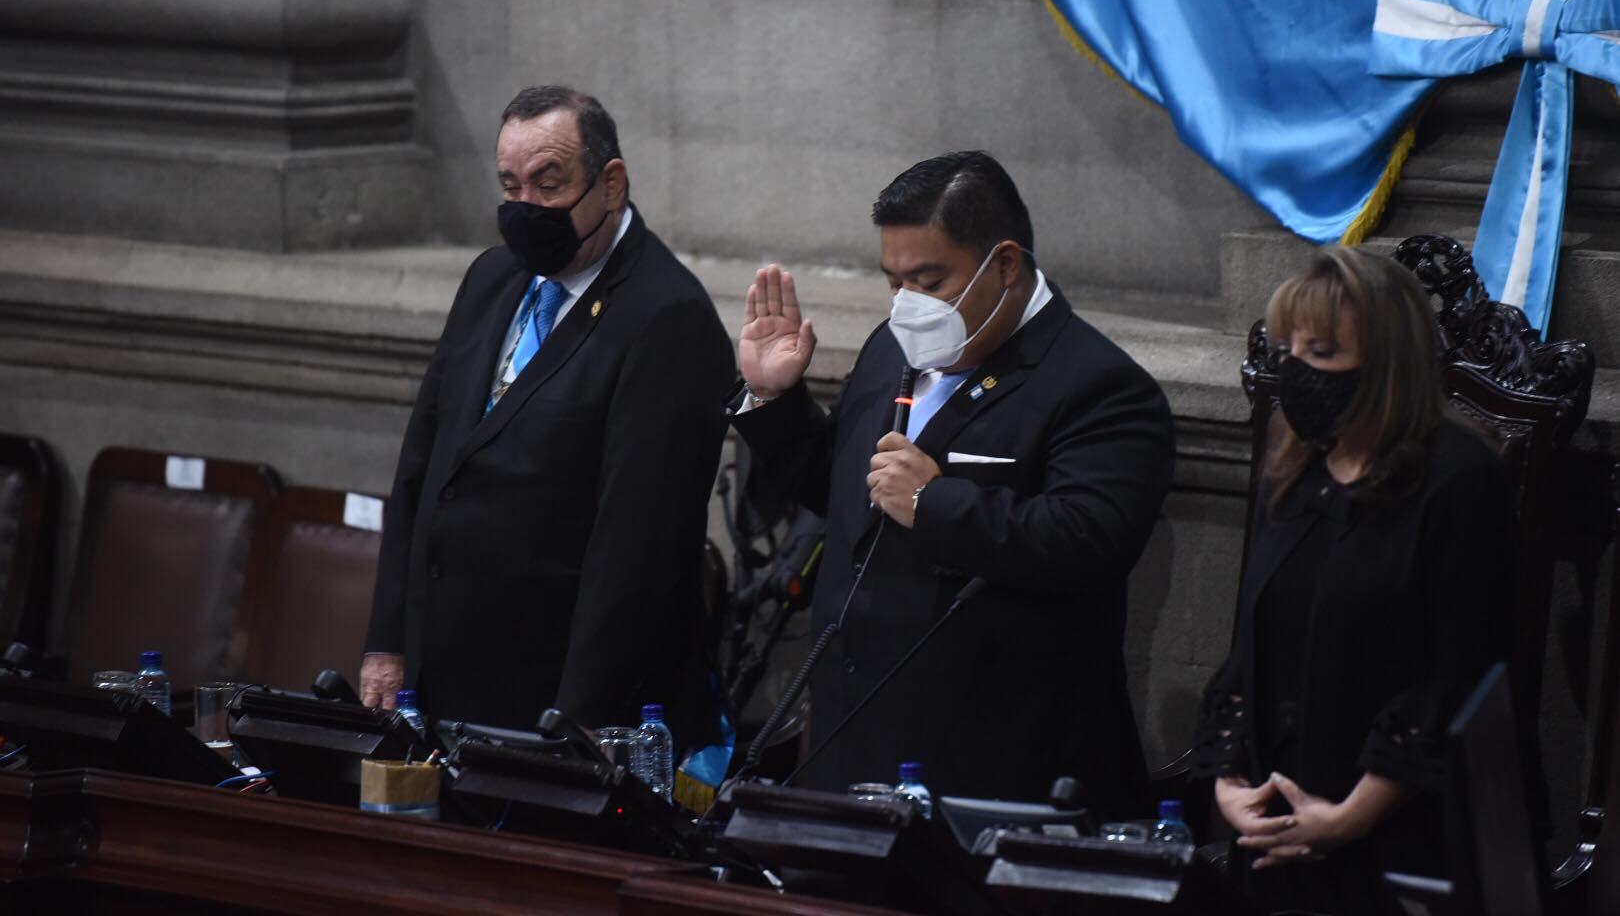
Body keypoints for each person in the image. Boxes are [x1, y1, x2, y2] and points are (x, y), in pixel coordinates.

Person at [729, 150, 1174, 814]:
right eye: (893, 282)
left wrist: (936, 502)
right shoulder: (893, 346)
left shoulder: (1098, 386)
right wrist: (773, 403)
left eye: (929, 281)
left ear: (1005, 264)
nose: (908, 305)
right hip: (851, 741)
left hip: (987, 763)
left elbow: (1090, 543)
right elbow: (855, 495)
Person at [360, 86, 734, 750]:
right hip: (438, 679)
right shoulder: (491, 279)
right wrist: (388, 642)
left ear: (611, 184)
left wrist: (580, 715)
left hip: (552, 698)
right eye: (510, 185)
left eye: (548, 184)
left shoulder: (666, 318)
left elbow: (639, 547)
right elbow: (422, 470)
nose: (525, 207)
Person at [1189, 246, 1514, 915]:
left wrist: (1348, 818)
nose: (1298, 372)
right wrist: (1230, 788)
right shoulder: (1295, 470)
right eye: (1292, 350)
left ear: (1387, 365)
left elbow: (1458, 677)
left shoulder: (1458, 480)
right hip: (1273, 825)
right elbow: (1252, 652)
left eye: (1323, 353)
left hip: (1399, 842)